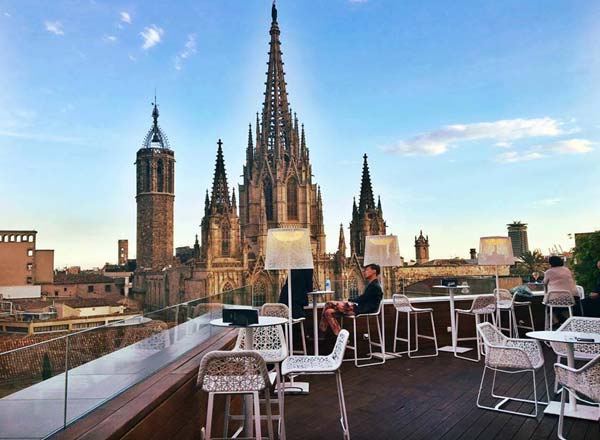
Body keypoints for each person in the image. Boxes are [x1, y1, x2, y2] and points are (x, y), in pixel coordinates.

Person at [319, 264, 383, 336]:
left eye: (367, 270)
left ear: (374, 271)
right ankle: (341, 338)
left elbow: (363, 299)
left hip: (360, 310)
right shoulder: (373, 285)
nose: (365, 272)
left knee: (328, 304)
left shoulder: (375, 286)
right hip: (358, 308)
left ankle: (321, 333)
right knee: (328, 312)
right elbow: (364, 298)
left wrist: (350, 300)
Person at [543, 256, 579, 325]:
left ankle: (555, 321)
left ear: (550, 263)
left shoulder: (548, 272)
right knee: (566, 307)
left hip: (556, 299)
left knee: (548, 305)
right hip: (572, 298)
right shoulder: (567, 270)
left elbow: (545, 283)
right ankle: (569, 322)